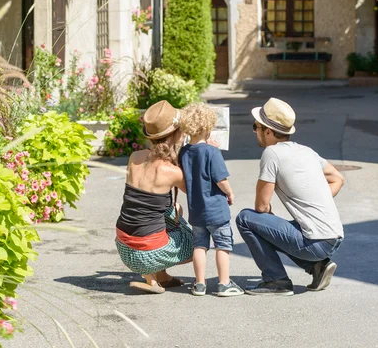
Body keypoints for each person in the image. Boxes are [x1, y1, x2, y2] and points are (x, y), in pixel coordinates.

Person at [236, 98, 345, 295]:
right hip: (334, 236)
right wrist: (318, 199)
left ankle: (276, 280)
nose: (254, 132)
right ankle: (317, 267)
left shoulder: (272, 153)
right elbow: (337, 178)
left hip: (315, 241)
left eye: (256, 127)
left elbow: (261, 207)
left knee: (245, 218)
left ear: (268, 131)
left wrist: (267, 214)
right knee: (273, 226)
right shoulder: (306, 151)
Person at [115, 100, 193, 294]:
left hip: (124, 247)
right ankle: (151, 274)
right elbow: (196, 193)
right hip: (148, 253)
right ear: (176, 134)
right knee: (196, 243)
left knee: (171, 210)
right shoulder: (172, 171)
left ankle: (160, 277)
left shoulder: (135, 157)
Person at [178, 103, 244, 297]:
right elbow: (220, 179)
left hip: (196, 210)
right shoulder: (212, 152)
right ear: (208, 127)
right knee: (222, 245)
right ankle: (224, 283)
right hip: (216, 209)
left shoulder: (184, 152)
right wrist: (230, 193)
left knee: (199, 246)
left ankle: (199, 284)